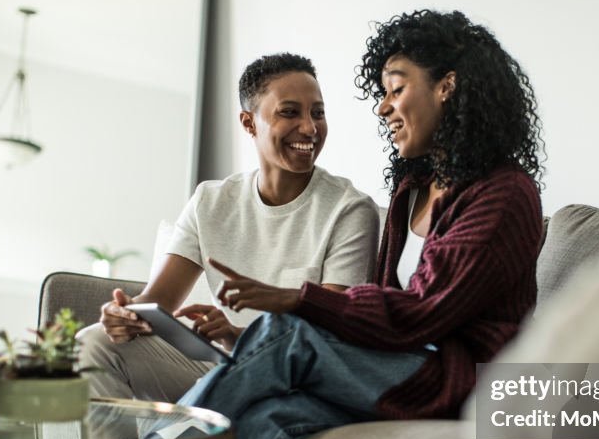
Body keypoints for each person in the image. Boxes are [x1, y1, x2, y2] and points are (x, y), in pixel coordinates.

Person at [68, 9, 545, 439]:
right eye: (382, 92)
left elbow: (420, 312)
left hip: (460, 383)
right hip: (396, 370)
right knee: (267, 416)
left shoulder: (504, 194)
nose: (383, 107)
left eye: (396, 88)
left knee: (285, 330)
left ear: (446, 87)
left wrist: (295, 299)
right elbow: (387, 313)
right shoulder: (411, 189)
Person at [78, 53, 379, 406]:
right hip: (218, 365)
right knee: (93, 341)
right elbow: (156, 301)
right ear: (249, 123)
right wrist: (126, 315)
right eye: (290, 112)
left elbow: (328, 338)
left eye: (318, 113)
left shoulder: (351, 209)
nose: (310, 128)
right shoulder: (211, 201)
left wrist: (236, 335)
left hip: (290, 377)